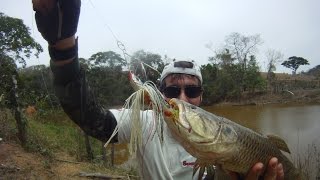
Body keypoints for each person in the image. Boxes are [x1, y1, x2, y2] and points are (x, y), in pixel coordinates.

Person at [32, 0, 285, 179]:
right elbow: (90, 118)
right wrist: (63, 51)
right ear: (161, 94)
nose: (183, 99)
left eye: (192, 91)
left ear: (202, 95)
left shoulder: (222, 137)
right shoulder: (144, 123)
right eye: (173, 92)